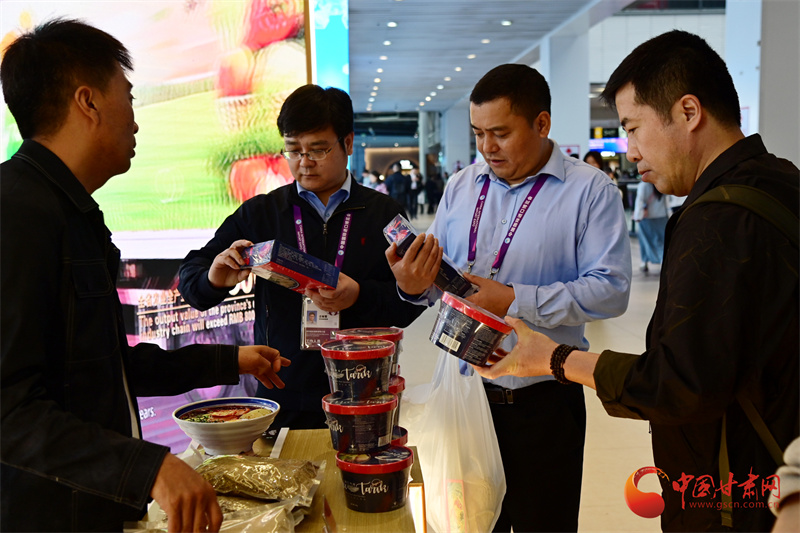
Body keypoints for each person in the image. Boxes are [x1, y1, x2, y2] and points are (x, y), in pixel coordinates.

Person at [474, 30, 799, 533]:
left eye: (633, 127)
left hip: (736, 493)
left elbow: (680, 382)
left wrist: (552, 358)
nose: (630, 150)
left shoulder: (717, 221)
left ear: (688, 112)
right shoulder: (783, 182)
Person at [0, 18, 290, 533]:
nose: (136, 122)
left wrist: (230, 360)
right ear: (88, 102)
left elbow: (108, 368)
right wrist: (148, 467)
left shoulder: (74, 215)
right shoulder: (16, 214)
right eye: (129, 98)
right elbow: (9, 412)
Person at [386, 63, 632, 533]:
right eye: (478, 133)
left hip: (544, 402)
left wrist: (514, 299)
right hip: (464, 398)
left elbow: (611, 290)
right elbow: (441, 278)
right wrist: (413, 284)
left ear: (541, 123)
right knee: (470, 524)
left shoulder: (590, 191)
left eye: (500, 133)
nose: (487, 147)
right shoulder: (462, 186)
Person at [178, 84, 424, 430]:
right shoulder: (261, 213)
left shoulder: (383, 213)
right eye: (293, 150)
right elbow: (192, 282)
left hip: (363, 390)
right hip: (282, 389)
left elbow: (409, 304)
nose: (304, 162)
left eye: (318, 150)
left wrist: (358, 295)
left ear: (348, 143)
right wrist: (213, 279)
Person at [632, 179, 668, 272]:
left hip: (647, 217)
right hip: (662, 216)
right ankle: (662, 259)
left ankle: (644, 262)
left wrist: (637, 216)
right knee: (661, 240)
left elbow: (640, 200)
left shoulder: (643, 185)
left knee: (645, 240)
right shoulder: (661, 182)